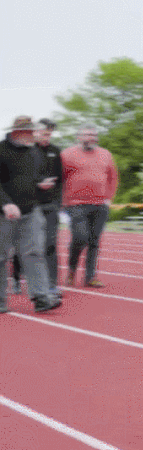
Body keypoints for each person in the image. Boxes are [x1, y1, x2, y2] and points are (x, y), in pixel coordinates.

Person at [0, 116, 61, 313]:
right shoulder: (1, 150)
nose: (33, 135)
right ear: (17, 132)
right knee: (1, 257)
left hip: (31, 210)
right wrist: (6, 203)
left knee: (34, 252)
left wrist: (41, 184)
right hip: (3, 214)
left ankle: (41, 297)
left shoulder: (34, 152)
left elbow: (33, 177)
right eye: (30, 132)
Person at [62, 124, 118, 287]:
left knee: (94, 241)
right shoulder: (67, 154)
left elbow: (112, 177)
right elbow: (61, 178)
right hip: (75, 204)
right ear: (79, 137)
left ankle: (90, 276)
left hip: (100, 204)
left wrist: (109, 198)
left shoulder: (105, 154)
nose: (91, 137)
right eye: (87, 134)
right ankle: (72, 270)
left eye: (94, 134)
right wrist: (63, 202)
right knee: (80, 237)